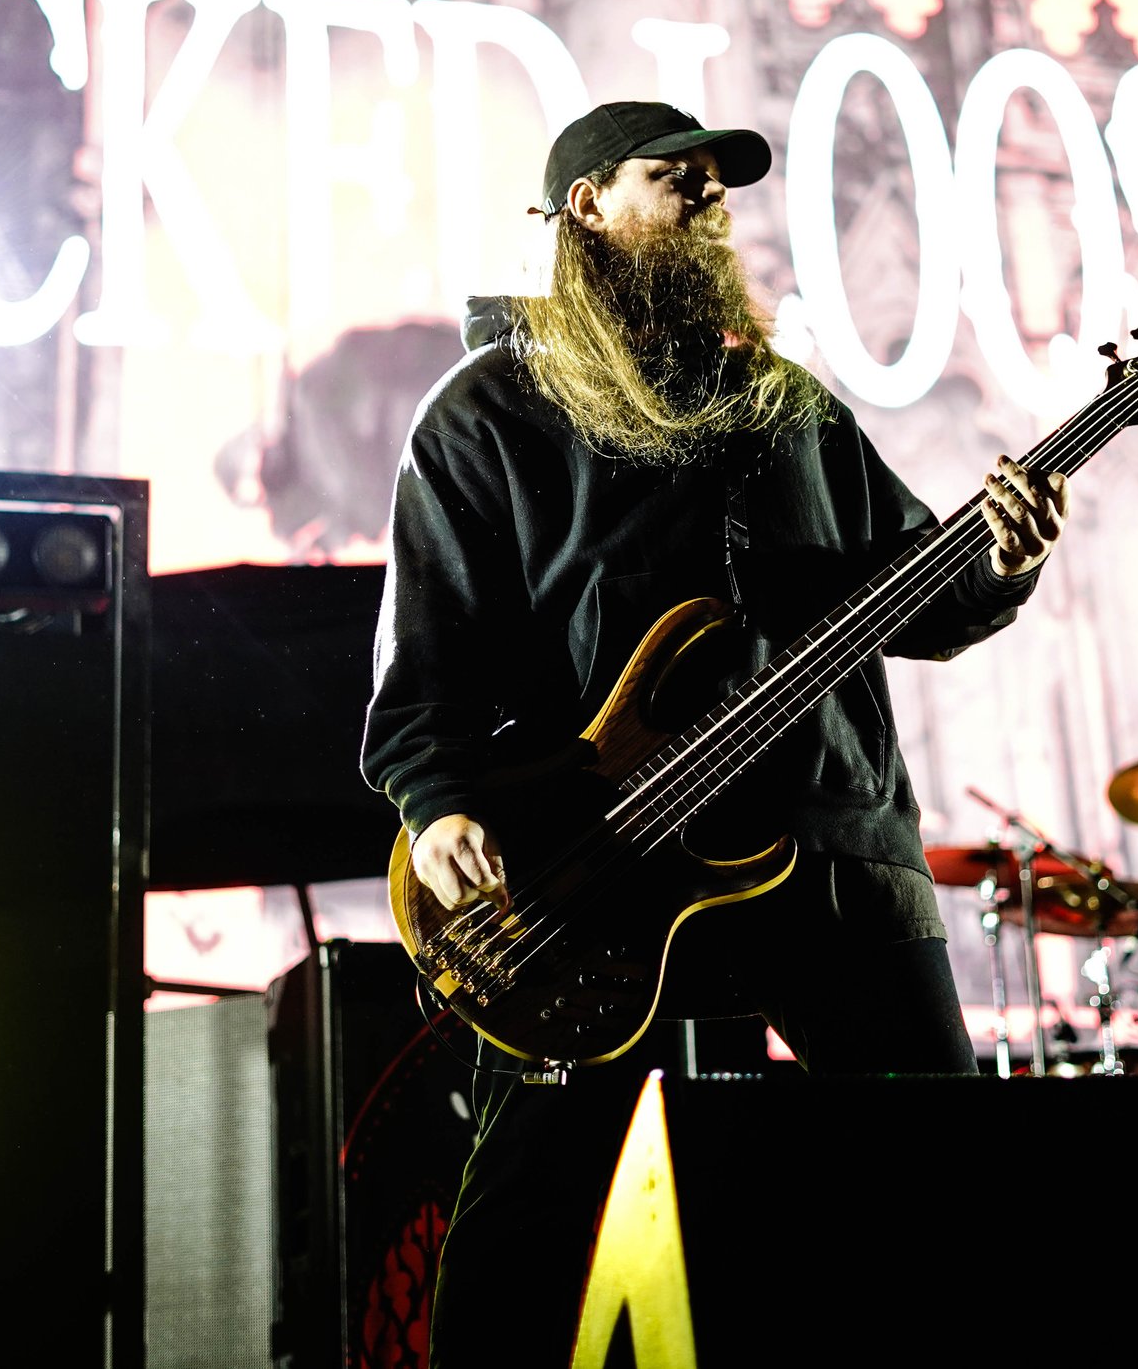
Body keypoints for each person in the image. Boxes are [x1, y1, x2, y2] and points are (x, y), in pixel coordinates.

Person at [361, 100, 1071, 1364]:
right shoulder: (486, 417)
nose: (706, 197)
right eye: (671, 177)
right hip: (603, 866)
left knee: (950, 1190)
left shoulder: (784, 404)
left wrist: (996, 557)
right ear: (586, 205)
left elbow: (909, 589)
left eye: (715, 183)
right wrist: (438, 801)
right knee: (537, 1220)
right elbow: (428, 664)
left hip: (830, 846)